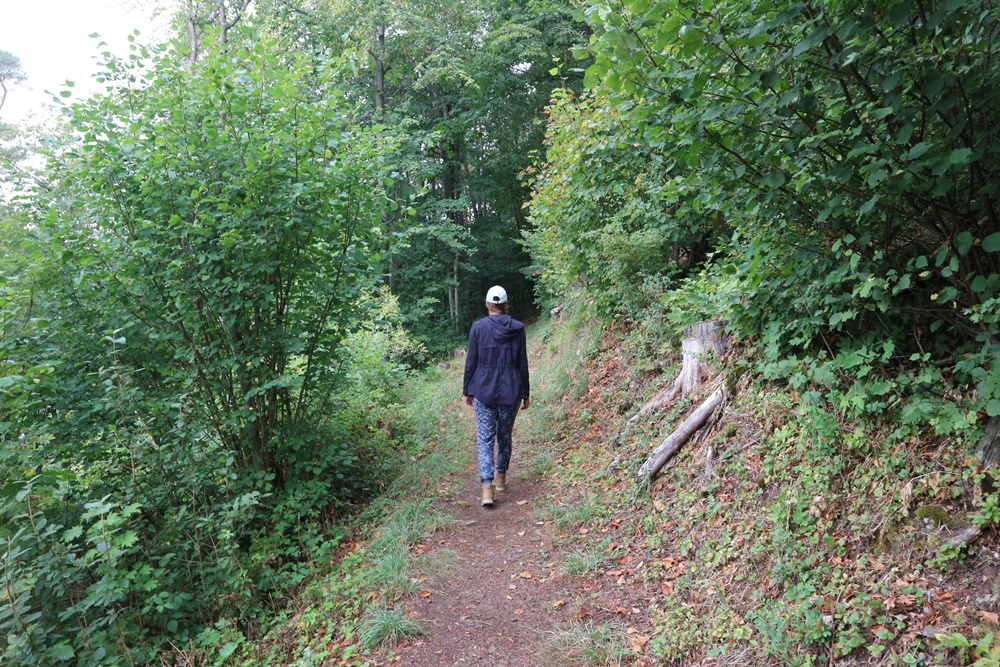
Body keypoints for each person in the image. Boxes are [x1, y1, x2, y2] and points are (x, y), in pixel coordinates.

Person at [463, 285, 530, 507]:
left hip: (483, 390)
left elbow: (471, 362)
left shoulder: (478, 328)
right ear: (505, 304)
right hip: (511, 391)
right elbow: (522, 363)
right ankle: (501, 479)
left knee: (485, 439)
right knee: (504, 436)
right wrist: (526, 392)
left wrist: (468, 391)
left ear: (487, 305)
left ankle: (487, 489)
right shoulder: (518, 328)